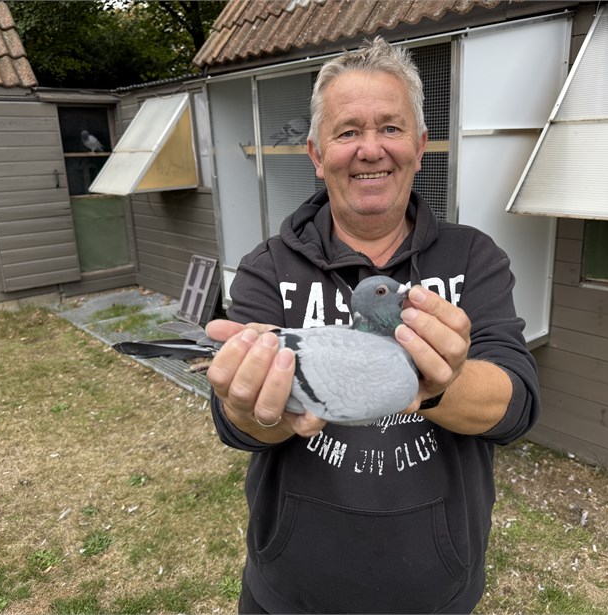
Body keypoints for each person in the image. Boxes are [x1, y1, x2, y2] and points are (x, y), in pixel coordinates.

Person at [205, 36, 540, 614]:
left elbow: (516, 408)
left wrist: (435, 382)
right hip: (292, 590)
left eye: (390, 127)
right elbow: (238, 426)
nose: (370, 149)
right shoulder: (268, 266)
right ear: (316, 154)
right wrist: (249, 401)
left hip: (433, 590)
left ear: (419, 146)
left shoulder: (473, 258)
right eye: (347, 132)